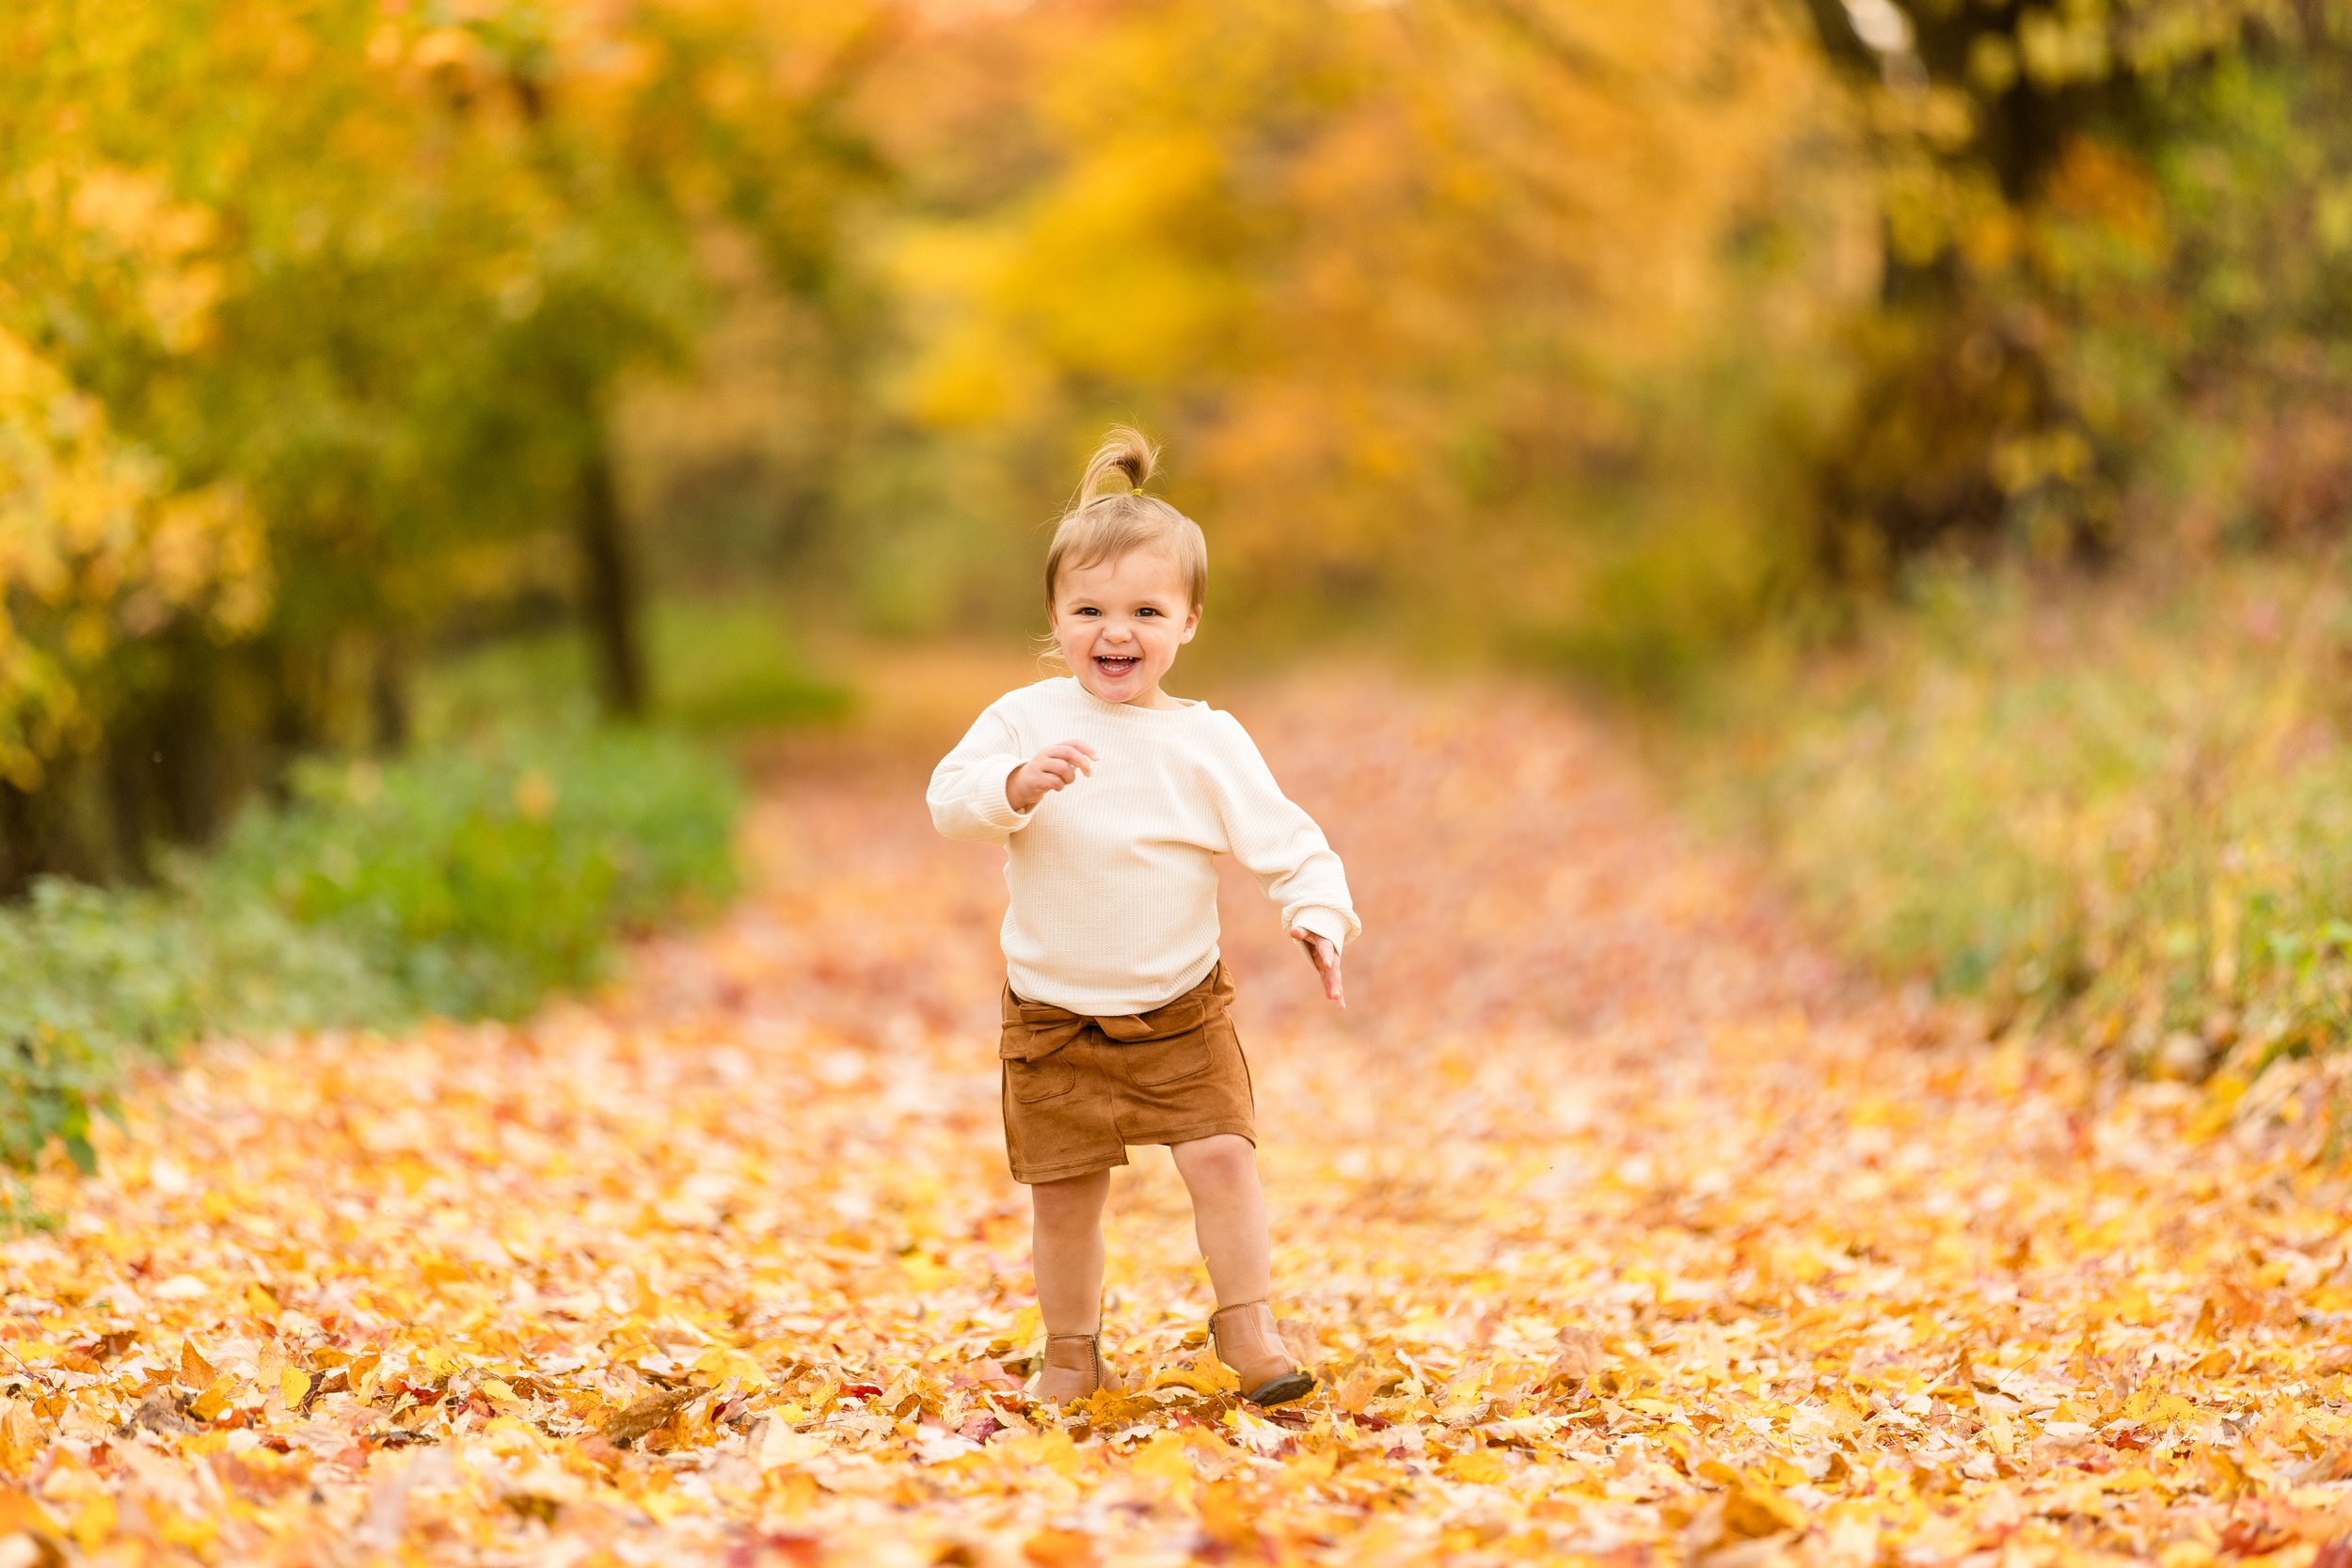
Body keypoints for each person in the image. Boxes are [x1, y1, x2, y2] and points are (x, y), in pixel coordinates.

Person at [927, 427, 1359, 1408]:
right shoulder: (1024, 721)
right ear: (1055, 614)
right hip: (1052, 1018)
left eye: (1143, 610)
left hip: (1178, 1009)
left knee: (1221, 1156)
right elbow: (948, 801)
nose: (1114, 631)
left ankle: (1247, 1326)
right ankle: (1072, 1350)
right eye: (1088, 609)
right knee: (1066, 1197)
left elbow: (1287, 841)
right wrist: (1012, 783)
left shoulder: (1204, 741)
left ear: (1188, 620)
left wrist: (1317, 910)